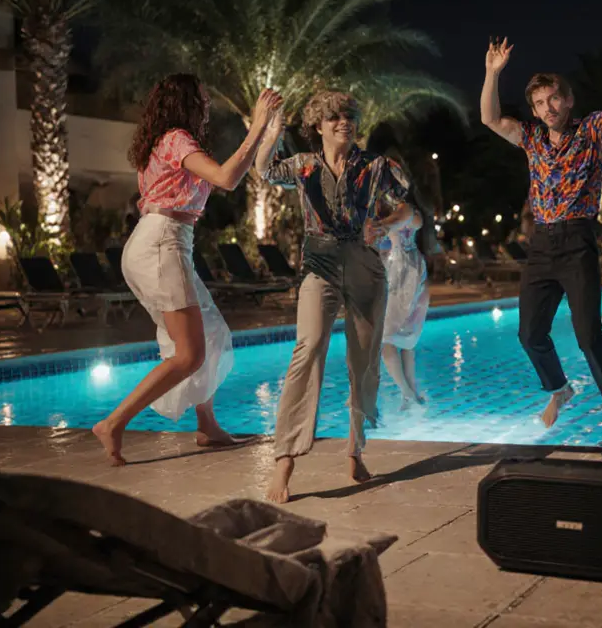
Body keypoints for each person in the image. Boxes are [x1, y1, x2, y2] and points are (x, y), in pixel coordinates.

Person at [93, 77, 284, 466]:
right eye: (202, 98)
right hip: (162, 243)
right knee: (190, 353)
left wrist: (267, 132)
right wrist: (257, 125)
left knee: (211, 333)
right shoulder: (176, 138)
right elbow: (227, 178)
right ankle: (113, 423)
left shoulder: (164, 143)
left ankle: (207, 425)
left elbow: (233, 171)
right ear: (184, 103)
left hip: (163, 241)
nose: (208, 103)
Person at [480, 36, 602, 462]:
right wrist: (493, 73)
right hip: (541, 244)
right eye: (540, 102)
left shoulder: (592, 130)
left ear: (568, 100)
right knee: (529, 334)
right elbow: (490, 118)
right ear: (535, 110)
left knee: (590, 336)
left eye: (555, 99)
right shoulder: (532, 138)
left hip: (577, 243)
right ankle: (560, 389)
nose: (548, 107)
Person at [260, 91, 415, 503]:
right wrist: (272, 131)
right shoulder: (303, 166)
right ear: (318, 125)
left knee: (363, 363)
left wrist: (384, 223)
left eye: (348, 115)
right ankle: (285, 462)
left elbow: (409, 210)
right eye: (333, 117)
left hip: (366, 268)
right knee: (307, 348)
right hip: (320, 266)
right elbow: (264, 171)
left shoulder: (377, 166)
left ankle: (355, 448)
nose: (343, 122)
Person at [368, 123, 433, 412]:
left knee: (387, 341)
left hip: (402, 274)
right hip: (405, 271)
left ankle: (408, 393)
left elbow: (400, 228)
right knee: (404, 340)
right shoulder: (399, 211)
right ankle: (412, 395)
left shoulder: (404, 211)